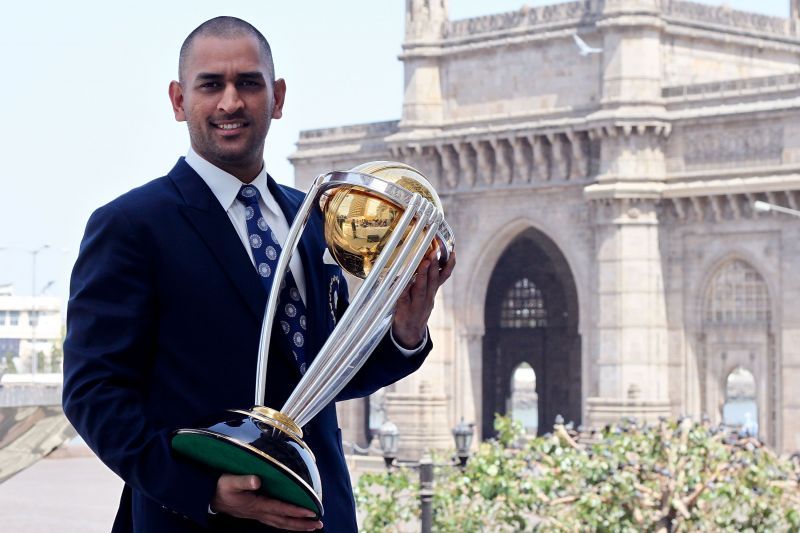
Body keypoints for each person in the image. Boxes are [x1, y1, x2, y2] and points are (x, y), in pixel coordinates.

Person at [62, 16, 455, 533]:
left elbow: (323, 373)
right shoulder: (131, 226)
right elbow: (93, 394)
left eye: (249, 83)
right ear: (179, 101)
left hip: (323, 515)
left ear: (278, 97)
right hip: (193, 521)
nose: (231, 102)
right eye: (211, 84)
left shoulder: (315, 220)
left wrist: (405, 331)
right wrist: (205, 491)